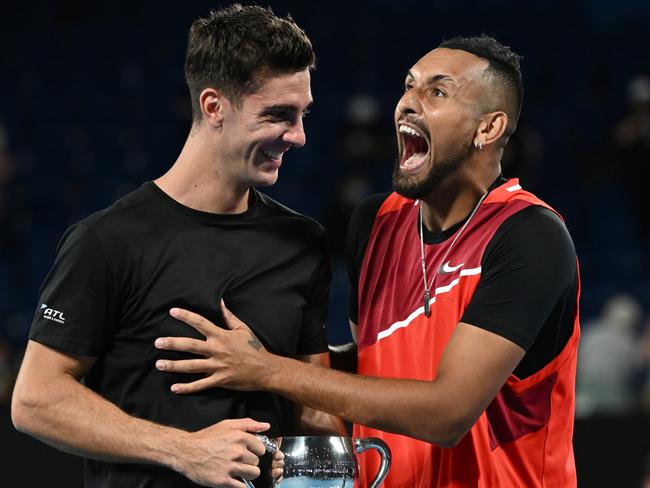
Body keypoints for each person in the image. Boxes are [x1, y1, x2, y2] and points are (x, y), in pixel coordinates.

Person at [155, 35, 581, 487]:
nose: (407, 103)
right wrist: (277, 345)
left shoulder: (530, 235)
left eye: (436, 91)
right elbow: (373, 369)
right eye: (409, 85)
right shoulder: (375, 222)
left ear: (489, 128)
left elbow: (446, 414)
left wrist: (269, 369)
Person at [11, 4, 344, 487]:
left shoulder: (303, 243)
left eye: (302, 114)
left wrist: (304, 468)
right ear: (214, 107)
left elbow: (314, 413)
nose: (298, 136)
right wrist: (184, 450)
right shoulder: (107, 241)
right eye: (277, 115)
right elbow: (35, 400)